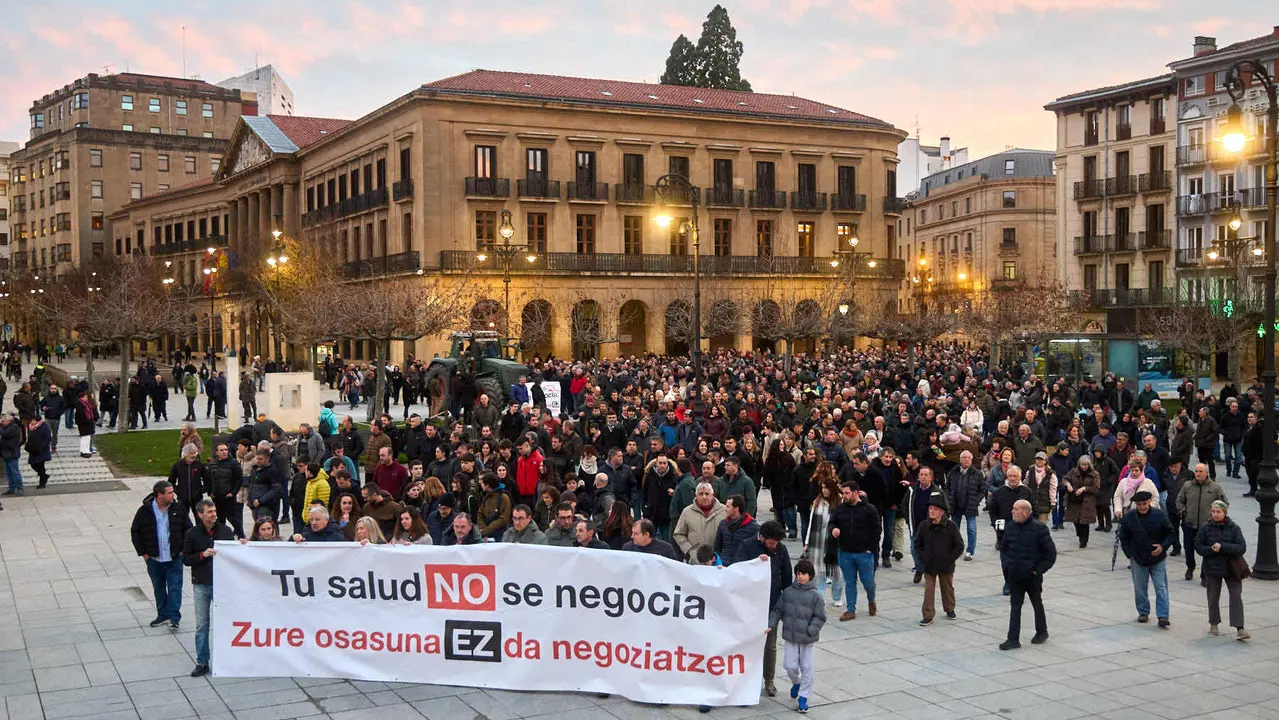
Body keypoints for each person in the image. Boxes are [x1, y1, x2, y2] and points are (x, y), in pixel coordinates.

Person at [129, 480, 192, 630]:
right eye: (169, 493)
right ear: (159, 494)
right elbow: (135, 532)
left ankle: (174, 617)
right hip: (154, 559)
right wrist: (144, 554)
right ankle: (162, 614)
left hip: (174, 557)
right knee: (159, 588)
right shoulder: (145, 511)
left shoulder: (178, 508)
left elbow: (189, 530)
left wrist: (183, 550)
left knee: (175, 587)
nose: (173, 495)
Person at [182, 499, 234, 677]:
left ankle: (227, 659)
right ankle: (202, 662)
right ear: (200, 515)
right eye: (210, 512)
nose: (214, 514)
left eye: (214, 511)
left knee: (227, 623)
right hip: (201, 585)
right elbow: (186, 559)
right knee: (202, 626)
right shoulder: (192, 533)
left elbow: (234, 554)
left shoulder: (226, 531)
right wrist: (202, 555)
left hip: (222, 585)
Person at [767, 558, 824, 713]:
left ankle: (803, 697)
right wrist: (771, 624)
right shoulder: (788, 592)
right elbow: (778, 610)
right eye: (798, 573)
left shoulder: (816, 596)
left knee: (807, 668)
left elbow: (820, 616)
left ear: (810, 575)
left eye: (803, 574)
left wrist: (811, 630)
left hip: (807, 639)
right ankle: (797, 683)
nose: (800, 576)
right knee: (789, 665)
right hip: (791, 636)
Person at [998, 499, 1056, 650]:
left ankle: (1042, 632)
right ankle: (1013, 639)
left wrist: (1038, 570)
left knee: (1036, 602)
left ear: (1025, 512)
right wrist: (1008, 565)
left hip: (1032, 576)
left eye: (1016, 509)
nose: (1012, 511)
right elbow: (1004, 548)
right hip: (1015, 575)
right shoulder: (1011, 527)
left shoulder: (1039, 529)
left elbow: (1050, 554)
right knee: (1015, 606)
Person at [1117, 490, 1175, 628]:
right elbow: (1124, 537)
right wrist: (1130, 554)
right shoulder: (1129, 518)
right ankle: (1143, 612)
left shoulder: (1159, 515)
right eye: (1139, 504)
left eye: (1144, 504)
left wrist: (1163, 546)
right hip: (1138, 557)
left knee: (1161, 587)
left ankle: (1163, 615)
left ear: (1149, 502)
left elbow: (1171, 533)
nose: (1142, 507)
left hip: (1158, 557)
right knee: (1140, 588)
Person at [1195, 500, 1249, 640]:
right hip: (1213, 567)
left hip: (1232, 568)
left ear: (1224, 512)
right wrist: (1210, 549)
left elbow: (1241, 547)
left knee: (1236, 596)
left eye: (1218, 512)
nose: (1215, 514)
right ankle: (1214, 624)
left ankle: (1240, 628)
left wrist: (1223, 547)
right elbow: (1199, 546)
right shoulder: (1205, 528)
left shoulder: (1234, 528)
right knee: (1213, 596)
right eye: (1213, 511)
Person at [829, 480, 881, 621]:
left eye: (847, 493)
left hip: (864, 553)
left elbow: (876, 530)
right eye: (843, 493)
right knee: (850, 582)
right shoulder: (840, 509)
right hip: (845, 552)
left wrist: (871, 549)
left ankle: (871, 599)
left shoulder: (869, 509)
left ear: (855, 492)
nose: (844, 496)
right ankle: (850, 609)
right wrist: (833, 529)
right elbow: (832, 523)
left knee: (868, 582)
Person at [914, 493, 964, 626]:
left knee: (947, 587)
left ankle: (949, 609)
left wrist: (950, 558)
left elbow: (959, 546)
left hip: (946, 564)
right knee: (929, 590)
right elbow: (917, 544)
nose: (931, 511)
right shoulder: (924, 525)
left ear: (942, 512)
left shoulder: (950, 526)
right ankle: (928, 615)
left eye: (935, 509)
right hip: (929, 564)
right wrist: (923, 558)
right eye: (930, 508)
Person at [1176, 462, 1227, 584]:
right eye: (1196, 471)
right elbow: (1179, 500)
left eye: (1201, 471)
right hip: (1189, 523)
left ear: (1206, 473)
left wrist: (1216, 515)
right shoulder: (1187, 486)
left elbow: (1224, 503)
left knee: (1207, 551)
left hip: (1207, 525)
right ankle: (1190, 567)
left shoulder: (1215, 488)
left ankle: (1205, 575)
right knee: (1188, 548)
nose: (1198, 474)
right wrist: (1183, 512)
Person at [946, 450, 984, 560]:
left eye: (968, 457)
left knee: (971, 529)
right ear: (960, 459)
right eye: (964, 457)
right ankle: (956, 548)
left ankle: (970, 551)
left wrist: (976, 501)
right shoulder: (953, 472)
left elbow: (983, 490)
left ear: (971, 459)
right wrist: (949, 498)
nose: (966, 459)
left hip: (970, 505)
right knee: (954, 529)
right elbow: (947, 487)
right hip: (955, 505)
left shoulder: (977, 473)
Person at [672, 482, 725, 561]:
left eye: (707, 494)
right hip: (695, 560)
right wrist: (690, 550)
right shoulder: (687, 512)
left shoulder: (724, 510)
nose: (704, 497)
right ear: (696, 495)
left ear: (712, 495)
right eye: (701, 494)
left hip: (718, 559)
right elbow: (678, 534)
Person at [1061, 455, 1101, 549]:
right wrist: (1068, 484)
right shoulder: (1073, 471)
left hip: (1087, 501)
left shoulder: (1095, 474)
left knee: (1084, 522)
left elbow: (1096, 488)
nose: (1083, 467)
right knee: (1076, 520)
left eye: (1085, 465)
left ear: (1089, 465)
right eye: (1082, 464)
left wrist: (1084, 488)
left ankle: (1084, 541)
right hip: (1074, 499)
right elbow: (1065, 479)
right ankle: (1080, 534)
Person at [169, 443, 210, 525]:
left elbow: (208, 480)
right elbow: (170, 481)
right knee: (182, 520)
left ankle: (199, 532)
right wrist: (178, 491)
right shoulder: (178, 465)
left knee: (200, 519)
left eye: (195, 453)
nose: (194, 455)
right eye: (191, 453)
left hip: (197, 498)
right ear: (185, 454)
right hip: (182, 498)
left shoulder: (199, 465)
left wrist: (202, 490)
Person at [714, 495, 758, 566]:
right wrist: (718, 562)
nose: (725, 509)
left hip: (742, 566)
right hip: (724, 566)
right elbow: (717, 547)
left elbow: (756, 549)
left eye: (728, 507)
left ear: (736, 508)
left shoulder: (753, 527)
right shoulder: (723, 524)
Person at [24, 417, 51, 490]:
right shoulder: (31, 427)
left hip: (41, 450)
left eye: (33, 420)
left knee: (41, 466)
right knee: (32, 464)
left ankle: (42, 483)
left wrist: (42, 447)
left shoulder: (44, 427)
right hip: (33, 450)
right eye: (32, 420)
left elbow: (48, 438)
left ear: (38, 421)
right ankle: (44, 476)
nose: (32, 422)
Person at [0, 415, 22, 497]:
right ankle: (11, 488)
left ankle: (19, 488)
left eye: (3, 421)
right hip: (6, 454)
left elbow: (5, 433)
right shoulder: (5, 427)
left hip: (12, 454)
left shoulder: (13, 427)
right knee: (9, 473)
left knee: (15, 473)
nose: (2, 422)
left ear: (9, 421)